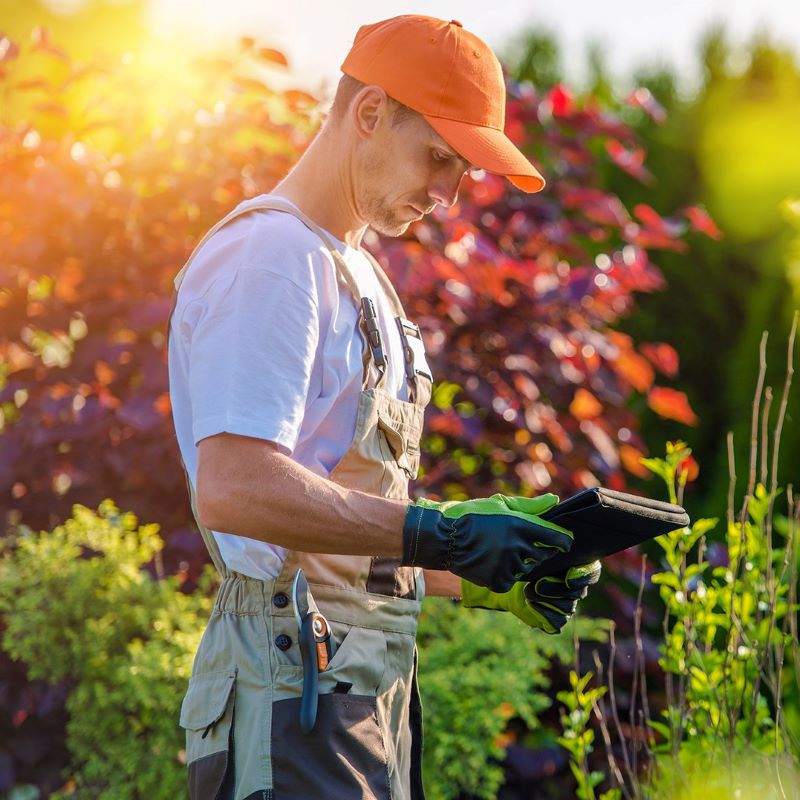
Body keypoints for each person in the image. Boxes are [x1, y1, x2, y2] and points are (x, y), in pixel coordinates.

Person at [167, 14, 601, 800]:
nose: (448, 194)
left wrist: (480, 567)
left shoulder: (359, 275)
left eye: (464, 172)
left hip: (360, 692)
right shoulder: (272, 259)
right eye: (439, 156)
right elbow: (232, 485)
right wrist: (437, 534)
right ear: (368, 113)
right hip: (287, 695)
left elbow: (341, 529)